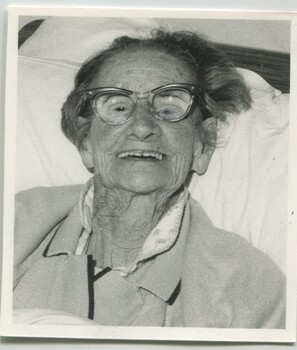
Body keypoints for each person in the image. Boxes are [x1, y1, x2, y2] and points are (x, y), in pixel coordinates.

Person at [13, 30, 286, 328]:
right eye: (118, 107)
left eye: (169, 109)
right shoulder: (17, 224)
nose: (142, 127)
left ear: (202, 146)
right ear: (86, 144)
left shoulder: (248, 287)